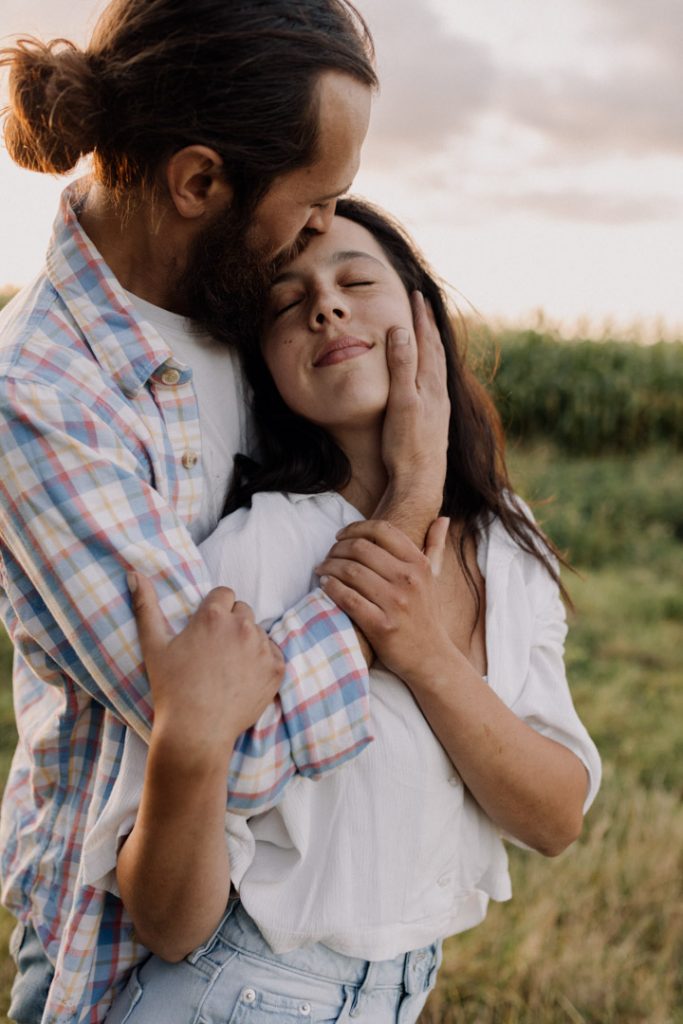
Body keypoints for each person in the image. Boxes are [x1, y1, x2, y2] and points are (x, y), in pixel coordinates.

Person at [0, 5, 448, 1022]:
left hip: (309, 939)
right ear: (198, 182)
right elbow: (216, 734)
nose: (325, 227)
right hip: (126, 962)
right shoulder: (40, 403)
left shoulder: (242, 297)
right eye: (315, 199)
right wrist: (411, 507)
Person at [89, 197, 602, 1024]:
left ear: (421, 319)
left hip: (398, 996)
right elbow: (169, 922)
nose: (325, 304)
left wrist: (420, 651)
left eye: (355, 281)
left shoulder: (505, 539)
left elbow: (553, 818)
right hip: (231, 994)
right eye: (288, 303)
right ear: (266, 365)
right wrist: (191, 743)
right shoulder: (249, 553)